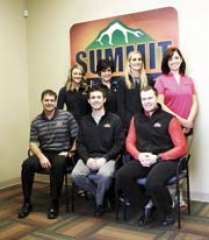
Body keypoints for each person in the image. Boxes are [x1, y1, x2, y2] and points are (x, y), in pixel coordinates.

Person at [115, 86, 188, 226]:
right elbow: (129, 142)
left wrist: (159, 157)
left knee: (152, 182)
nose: (147, 101)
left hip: (167, 160)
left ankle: (168, 211)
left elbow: (182, 147)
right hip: (144, 159)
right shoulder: (136, 118)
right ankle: (147, 204)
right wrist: (139, 155)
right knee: (121, 176)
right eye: (144, 99)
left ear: (156, 98)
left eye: (149, 98)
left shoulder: (170, 119)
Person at [18, 89, 78, 219]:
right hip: (45, 152)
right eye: (46, 100)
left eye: (52, 100)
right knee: (26, 165)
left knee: (58, 163)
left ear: (55, 101)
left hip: (63, 153)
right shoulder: (36, 121)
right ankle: (27, 202)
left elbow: (77, 137)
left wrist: (70, 152)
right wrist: (41, 156)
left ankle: (54, 202)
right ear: (42, 101)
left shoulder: (66, 116)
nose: (49, 103)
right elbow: (33, 143)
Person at [155, 47, 198, 209]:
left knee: (182, 164)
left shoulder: (189, 80)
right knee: (170, 163)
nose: (174, 61)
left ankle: (177, 196)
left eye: (176, 58)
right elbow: (161, 104)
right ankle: (172, 197)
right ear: (167, 62)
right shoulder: (161, 80)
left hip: (188, 128)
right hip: (171, 128)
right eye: (170, 59)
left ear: (181, 60)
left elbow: (195, 102)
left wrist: (189, 120)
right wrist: (180, 121)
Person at [71, 85, 124, 216]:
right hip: (88, 158)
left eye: (99, 97)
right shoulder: (84, 120)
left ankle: (99, 203)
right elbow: (80, 144)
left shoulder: (115, 119)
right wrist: (87, 159)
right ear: (88, 101)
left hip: (108, 158)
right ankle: (102, 195)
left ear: (104, 99)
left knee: (104, 175)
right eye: (93, 97)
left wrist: (105, 158)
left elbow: (119, 144)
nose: (96, 100)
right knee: (76, 175)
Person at [117, 50, 155, 130]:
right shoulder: (122, 81)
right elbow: (121, 107)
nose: (137, 62)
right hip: (128, 125)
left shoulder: (149, 80)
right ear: (129, 63)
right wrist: (133, 122)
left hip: (146, 124)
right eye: (134, 59)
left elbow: (152, 104)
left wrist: (145, 121)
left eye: (139, 59)